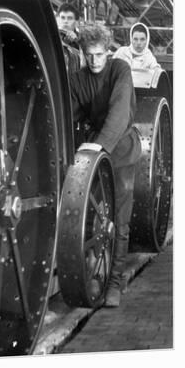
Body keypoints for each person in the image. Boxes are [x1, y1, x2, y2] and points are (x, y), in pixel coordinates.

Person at [70, 23, 142, 307]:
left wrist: (98, 146)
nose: (95, 61)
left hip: (121, 150)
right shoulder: (78, 79)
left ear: (108, 52)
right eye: (89, 55)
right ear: (83, 53)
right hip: (94, 154)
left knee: (120, 221)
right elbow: (69, 112)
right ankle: (96, 272)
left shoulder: (120, 70)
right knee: (95, 219)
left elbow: (120, 112)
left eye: (100, 54)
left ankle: (114, 282)